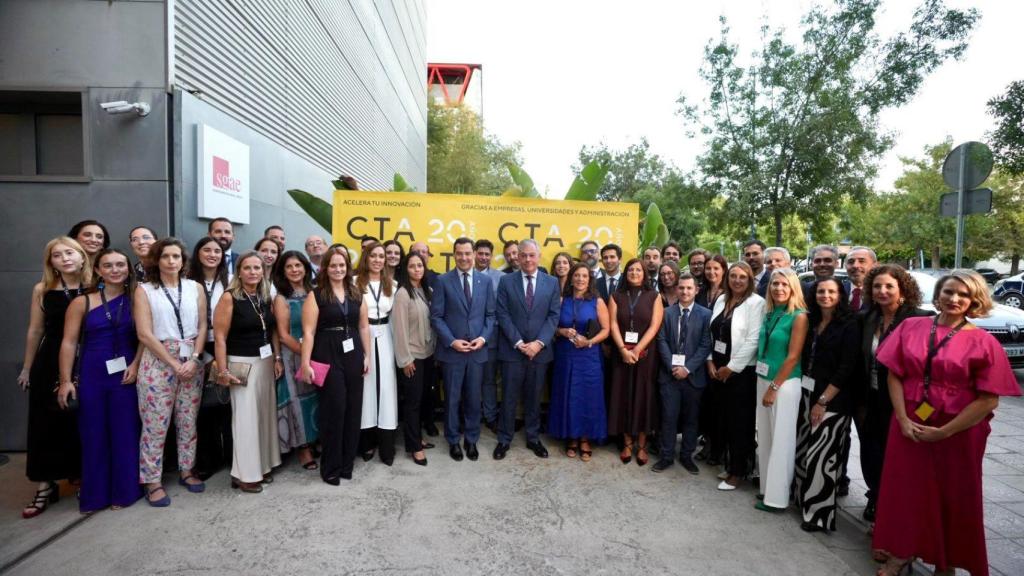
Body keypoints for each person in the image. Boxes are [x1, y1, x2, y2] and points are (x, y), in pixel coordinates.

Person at [872, 270, 1019, 576]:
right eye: (949, 291)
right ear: (938, 295)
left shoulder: (984, 342)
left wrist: (945, 432)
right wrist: (902, 418)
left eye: (964, 294)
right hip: (909, 420)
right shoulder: (912, 326)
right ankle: (902, 551)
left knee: (953, 493)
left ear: (974, 300)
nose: (954, 299)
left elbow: (988, 400)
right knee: (905, 489)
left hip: (959, 430)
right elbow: (894, 375)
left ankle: (946, 560)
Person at [55, 249, 139, 513]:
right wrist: (66, 380)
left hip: (127, 372)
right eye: (108, 265)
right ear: (98, 270)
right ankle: (95, 495)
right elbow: (68, 343)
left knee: (125, 432)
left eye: (120, 265)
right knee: (93, 433)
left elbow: (146, 337)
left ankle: (125, 492)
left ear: (128, 269)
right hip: (92, 372)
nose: (115, 270)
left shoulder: (137, 299)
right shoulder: (82, 302)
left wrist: (136, 364)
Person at [19, 237, 91, 519]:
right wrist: (27, 368)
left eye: (69, 252)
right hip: (49, 361)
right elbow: (35, 330)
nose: (65, 258)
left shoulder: (95, 285)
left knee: (80, 422)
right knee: (45, 425)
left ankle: (82, 477)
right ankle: (45, 485)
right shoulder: (43, 289)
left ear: (82, 256)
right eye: (57, 255)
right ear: (51, 262)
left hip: (87, 358)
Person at [134, 238, 208, 505]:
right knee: (155, 424)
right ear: (157, 260)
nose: (171, 261)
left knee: (188, 420)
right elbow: (144, 333)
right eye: (165, 256)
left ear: (183, 260)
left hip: (191, 359)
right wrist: (174, 364)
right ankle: (152, 480)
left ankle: (187, 470)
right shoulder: (144, 290)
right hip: (158, 360)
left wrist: (195, 359)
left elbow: (203, 325)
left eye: (176, 256)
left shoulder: (195, 287)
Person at [858, 264, 931, 522]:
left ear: (903, 289)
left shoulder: (921, 319)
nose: (882, 291)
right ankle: (876, 497)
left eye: (889, 286)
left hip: (904, 402)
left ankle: (895, 509)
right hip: (871, 398)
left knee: (898, 457)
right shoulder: (867, 318)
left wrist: (925, 410)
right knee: (871, 453)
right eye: (877, 286)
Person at [213, 252, 283, 493]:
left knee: (263, 417)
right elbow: (219, 338)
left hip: (265, 362)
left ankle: (261, 466)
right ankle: (245, 475)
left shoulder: (264, 296)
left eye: (257, 268)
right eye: (247, 268)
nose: (253, 272)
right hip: (241, 364)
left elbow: (272, 330)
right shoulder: (229, 297)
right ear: (239, 272)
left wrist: (277, 357)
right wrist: (222, 370)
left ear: (263, 271)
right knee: (245, 420)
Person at [300, 247, 370, 484]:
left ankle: (347, 465)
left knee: (353, 409)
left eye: (342, 265)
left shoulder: (356, 293)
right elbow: (308, 332)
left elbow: (363, 326)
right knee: (334, 410)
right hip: (327, 353)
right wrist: (306, 362)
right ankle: (331, 468)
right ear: (325, 268)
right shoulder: (316, 295)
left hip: (354, 353)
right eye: (333, 265)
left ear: (348, 268)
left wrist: (367, 356)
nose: (338, 269)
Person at [793, 277, 858, 532]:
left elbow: (846, 367)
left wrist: (822, 401)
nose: (825, 296)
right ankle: (801, 499)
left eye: (831, 291)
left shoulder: (850, 324)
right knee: (804, 449)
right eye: (821, 291)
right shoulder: (812, 321)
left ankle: (818, 515)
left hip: (832, 400)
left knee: (822, 457)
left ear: (840, 295)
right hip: (807, 391)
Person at [494, 239, 560, 460]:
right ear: (518, 257)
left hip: (539, 352)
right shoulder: (506, 281)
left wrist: (539, 343)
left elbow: (553, 316)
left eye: (532, 255)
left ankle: (533, 438)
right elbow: (502, 314)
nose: (528, 259)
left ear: (539, 257)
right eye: (523, 255)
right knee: (509, 398)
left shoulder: (551, 283)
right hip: (512, 351)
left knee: (534, 398)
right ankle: (504, 439)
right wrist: (519, 342)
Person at [431, 238, 496, 461]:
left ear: (474, 254)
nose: (464, 257)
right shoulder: (443, 281)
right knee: (452, 399)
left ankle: (471, 439)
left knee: (473, 398)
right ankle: (453, 440)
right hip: (452, 353)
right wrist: (452, 341)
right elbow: (436, 316)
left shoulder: (485, 281)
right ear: (454, 255)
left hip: (477, 352)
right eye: (459, 253)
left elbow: (490, 315)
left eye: (468, 253)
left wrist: (483, 338)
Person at [708, 262, 765, 491]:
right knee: (724, 421)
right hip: (718, 368)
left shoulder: (756, 303)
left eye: (743, 277)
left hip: (741, 372)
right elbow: (711, 333)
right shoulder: (722, 299)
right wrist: (710, 361)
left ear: (750, 279)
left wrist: (731, 368)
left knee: (740, 423)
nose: (737, 280)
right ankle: (732, 464)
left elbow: (753, 340)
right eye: (733, 276)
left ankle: (738, 472)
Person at [754, 267, 808, 512]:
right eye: (775, 284)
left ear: (793, 288)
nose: (778, 288)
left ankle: (777, 499)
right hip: (763, 379)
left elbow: (793, 357)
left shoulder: (799, 316)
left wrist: (774, 387)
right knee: (765, 438)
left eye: (784, 284)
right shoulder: (770, 313)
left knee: (781, 442)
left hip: (783, 385)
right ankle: (767, 489)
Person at [548, 263, 610, 461]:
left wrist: (589, 342)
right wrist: (561, 331)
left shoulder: (597, 301)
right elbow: (551, 326)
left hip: (589, 356)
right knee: (568, 395)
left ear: (589, 279)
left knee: (588, 397)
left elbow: (606, 330)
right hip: (565, 355)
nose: (580, 279)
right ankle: (571, 437)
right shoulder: (561, 300)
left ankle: (585, 438)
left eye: (584, 276)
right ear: (571, 278)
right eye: (577, 275)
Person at [607, 258, 664, 466]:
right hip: (621, 355)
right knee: (623, 395)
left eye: (638, 270)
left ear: (644, 273)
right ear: (626, 273)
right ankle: (627, 443)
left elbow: (655, 326)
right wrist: (623, 350)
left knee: (643, 397)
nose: (634, 273)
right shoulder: (616, 296)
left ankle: (642, 444)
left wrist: (638, 349)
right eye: (631, 269)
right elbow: (613, 324)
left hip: (646, 355)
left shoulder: (654, 296)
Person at [653, 273, 712, 474]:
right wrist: (672, 365)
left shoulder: (706, 315)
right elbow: (661, 340)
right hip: (669, 375)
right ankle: (666, 456)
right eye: (681, 288)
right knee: (668, 417)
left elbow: (705, 345)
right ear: (676, 290)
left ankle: (687, 456)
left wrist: (687, 368)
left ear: (696, 290)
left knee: (691, 418)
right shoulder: (666, 313)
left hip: (693, 376)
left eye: (689, 288)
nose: (685, 292)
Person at [186, 237, 232, 479]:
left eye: (217, 251)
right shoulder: (187, 281)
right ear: (198, 253)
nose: (212, 254)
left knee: (227, 403)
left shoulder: (230, 280)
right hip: (197, 345)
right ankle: (207, 460)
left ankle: (232, 456)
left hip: (225, 343)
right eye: (207, 250)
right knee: (203, 407)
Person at [271, 250, 318, 470]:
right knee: (297, 401)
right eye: (289, 266)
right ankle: (303, 448)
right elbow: (283, 335)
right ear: (283, 271)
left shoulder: (314, 292)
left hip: (315, 354)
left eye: (298, 265)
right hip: (294, 356)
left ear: (305, 268)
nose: (294, 270)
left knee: (315, 399)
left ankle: (314, 439)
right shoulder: (281, 298)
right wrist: (306, 353)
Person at [355, 241, 399, 465]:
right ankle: (367, 442)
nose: (378, 260)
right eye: (373, 255)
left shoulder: (393, 284)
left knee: (387, 388)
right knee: (366, 386)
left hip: (387, 334)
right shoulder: (354, 282)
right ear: (366, 257)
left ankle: (387, 444)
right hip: (363, 333)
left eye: (381, 256)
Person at [392, 252, 437, 465]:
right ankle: (414, 447)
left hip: (428, 354)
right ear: (405, 269)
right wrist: (405, 359)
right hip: (412, 357)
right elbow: (399, 329)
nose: (417, 269)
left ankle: (417, 437)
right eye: (412, 266)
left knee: (423, 400)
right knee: (412, 402)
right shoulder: (402, 294)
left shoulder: (426, 290)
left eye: (420, 265)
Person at [474, 238, 504, 430]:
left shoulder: (501, 278)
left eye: (487, 254)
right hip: (467, 339)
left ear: (491, 256)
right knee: (469, 381)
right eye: (480, 253)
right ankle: (471, 416)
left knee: (489, 379)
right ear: (474, 254)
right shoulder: (463, 275)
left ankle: (490, 416)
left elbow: (502, 309)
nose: (483, 257)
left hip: (491, 337)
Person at [844, 246, 876, 312]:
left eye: (862, 261)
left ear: (874, 265)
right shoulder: (837, 291)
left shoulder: (881, 293)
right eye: (851, 262)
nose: (855, 265)